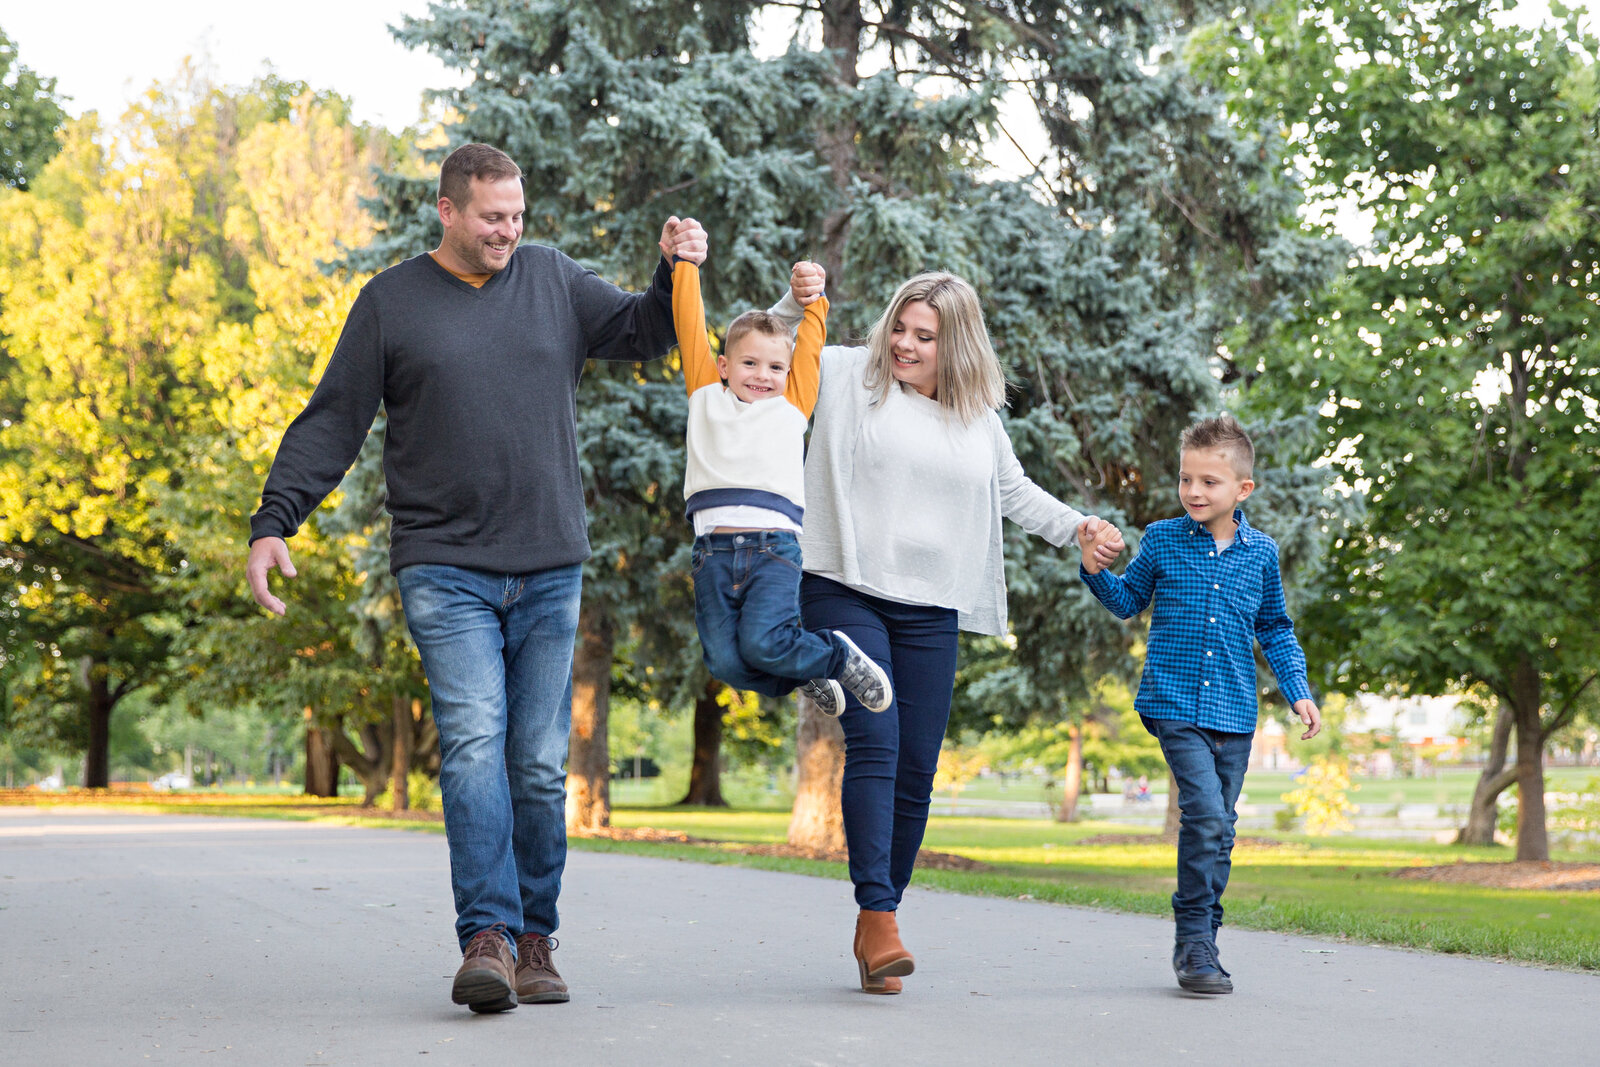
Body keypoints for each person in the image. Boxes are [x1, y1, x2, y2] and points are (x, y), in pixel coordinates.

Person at [244, 143, 708, 1013]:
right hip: (442, 564)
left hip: (548, 564)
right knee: (471, 743)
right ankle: (486, 935)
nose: (509, 232)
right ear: (449, 211)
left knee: (535, 762)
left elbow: (645, 330)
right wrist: (275, 522)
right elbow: (332, 422)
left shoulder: (552, 280)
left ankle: (537, 938)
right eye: (494, 217)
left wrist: (672, 265)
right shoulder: (390, 302)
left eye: (518, 217)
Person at [770, 265, 1124, 994]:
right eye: (898, 326)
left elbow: (1014, 492)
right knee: (877, 737)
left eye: (922, 335)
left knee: (918, 769)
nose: (902, 342)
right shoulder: (844, 376)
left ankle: (880, 922)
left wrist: (1078, 526)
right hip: (842, 584)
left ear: (955, 344)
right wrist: (796, 300)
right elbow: (766, 345)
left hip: (931, 606)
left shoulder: (977, 419)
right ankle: (877, 912)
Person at [1077, 413, 1322, 995]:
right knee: (1206, 816)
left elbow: (1276, 628)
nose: (1193, 491)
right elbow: (1126, 601)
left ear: (1242, 489)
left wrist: (1299, 691)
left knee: (1223, 829)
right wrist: (1094, 571)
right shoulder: (1162, 539)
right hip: (1174, 702)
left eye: (1208, 482)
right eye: (1186, 479)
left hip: (1236, 712)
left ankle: (1204, 937)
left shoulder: (1261, 552)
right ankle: (1193, 943)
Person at [673, 258, 892, 717]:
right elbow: (689, 323)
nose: (762, 375)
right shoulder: (704, 396)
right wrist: (685, 265)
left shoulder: (792, 405)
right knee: (725, 662)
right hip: (711, 553)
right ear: (723, 366)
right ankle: (805, 668)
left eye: (775, 366)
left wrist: (814, 299)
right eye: (749, 363)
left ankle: (835, 654)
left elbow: (810, 344)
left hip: (773, 548)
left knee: (763, 641)